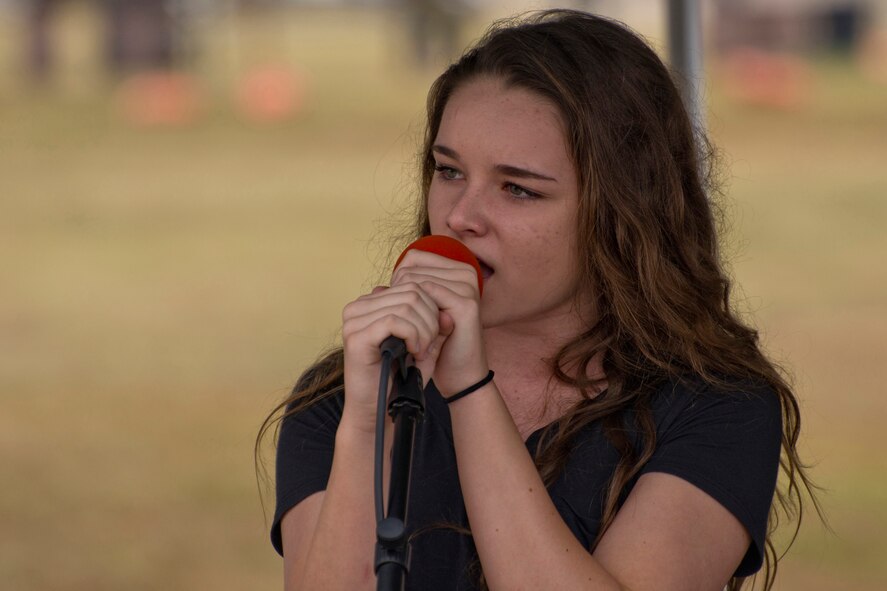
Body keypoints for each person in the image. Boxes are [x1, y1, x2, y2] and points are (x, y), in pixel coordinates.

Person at [257, 9, 818, 591]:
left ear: (620, 213)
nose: (459, 216)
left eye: (518, 188)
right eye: (449, 171)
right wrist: (370, 430)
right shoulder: (344, 396)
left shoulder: (714, 403)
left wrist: (470, 391)